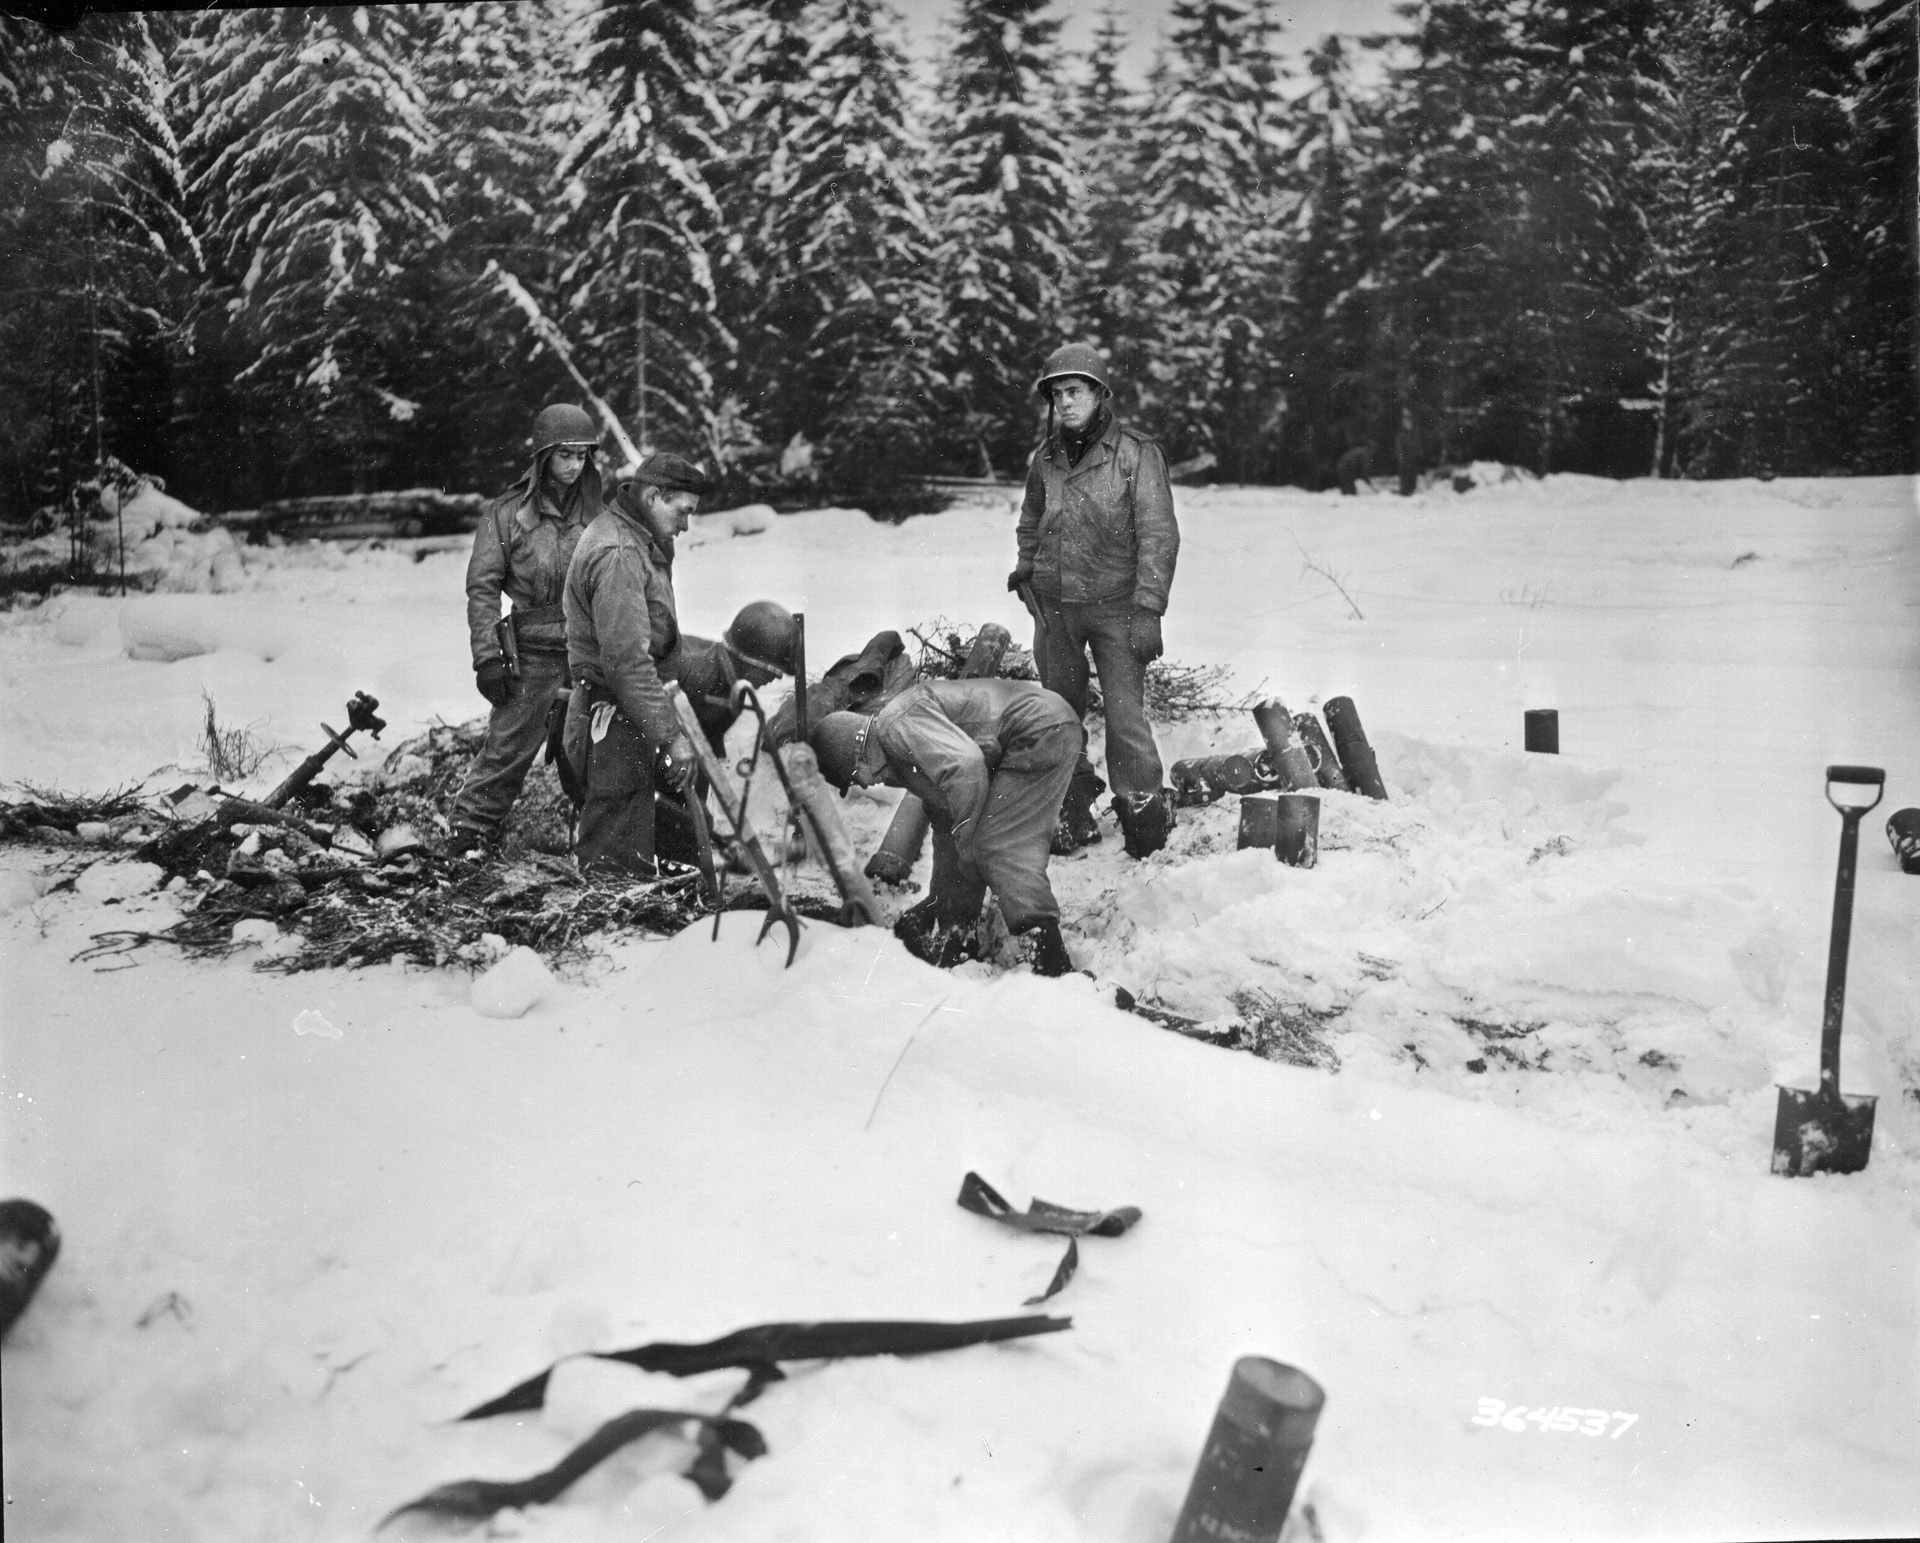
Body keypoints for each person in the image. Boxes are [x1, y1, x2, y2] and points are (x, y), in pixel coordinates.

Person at [1007, 343, 1180, 859]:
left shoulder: (1135, 454)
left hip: (1116, 607)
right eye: (1057, 394)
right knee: (1058, 715)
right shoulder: (1046, 459)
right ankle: (1071, 809)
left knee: (1126, 720)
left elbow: (1159, 534)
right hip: (1057, 609)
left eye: (1074, 391)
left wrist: (1148, 608)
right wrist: (1026, 568)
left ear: (1100, 395)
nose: (1064, 403)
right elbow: (1031, 521)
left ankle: (1143, 815)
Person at [810, 678, 1081, 977]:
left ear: (855, 751)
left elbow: (966, 769)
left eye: (853, 776)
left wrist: (967, 848)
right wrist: (944, 904)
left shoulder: (896, 726)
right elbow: (946, 819)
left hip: (1040, 729)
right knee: (969, 839)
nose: (863, 784)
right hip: (1030, 731)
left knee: (998, 844)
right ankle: (958, 934)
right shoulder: (897, 752)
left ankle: (1051, 960)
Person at [449, 403, 603, 856]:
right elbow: (482, 589)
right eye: (565, 455)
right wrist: (487, 658)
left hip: (586, 654)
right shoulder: (506, 515)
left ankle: (598, 849)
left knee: (600, 755)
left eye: (582, 456)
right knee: (506, 753)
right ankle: (467, 840)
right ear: (544, 457)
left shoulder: (600, 516)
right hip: (531, 656)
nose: (574, 466)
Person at [561, 451, 714, 878]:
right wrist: (669, 735)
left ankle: (673, 901)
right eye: (682, 512)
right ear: (652, 496)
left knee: (670, 817)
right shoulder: (620, 553)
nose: (686, 525)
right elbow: (626, 662)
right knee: (613, 864)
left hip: (633, 707)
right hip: (612, 716)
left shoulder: (642, 540)